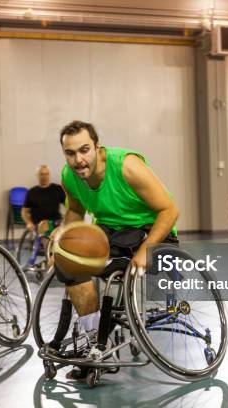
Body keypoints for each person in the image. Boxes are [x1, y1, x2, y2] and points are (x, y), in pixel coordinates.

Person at [49, 120, 179, 380]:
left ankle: (98, 343)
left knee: (111, 265)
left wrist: (147, 248)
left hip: (149, 229)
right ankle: (99, 344)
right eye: (70, 153)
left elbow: (170, 210)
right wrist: (62, 237)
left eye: (84, 150)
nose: (78, 160)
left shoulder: (127, 166)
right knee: (70, 266)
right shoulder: (68, 175)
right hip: (109, 232)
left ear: (97, 147)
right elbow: (75, 210)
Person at [21, 165, 65, 238]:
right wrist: (29, 223)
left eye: (46, 174)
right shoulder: (32, 192)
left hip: (56, 222)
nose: (44, 177)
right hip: (38, 223)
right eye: (41, 174)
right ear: (37, 176)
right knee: (44, 226)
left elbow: (69, 206)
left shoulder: (57, 189)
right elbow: (24, 212)